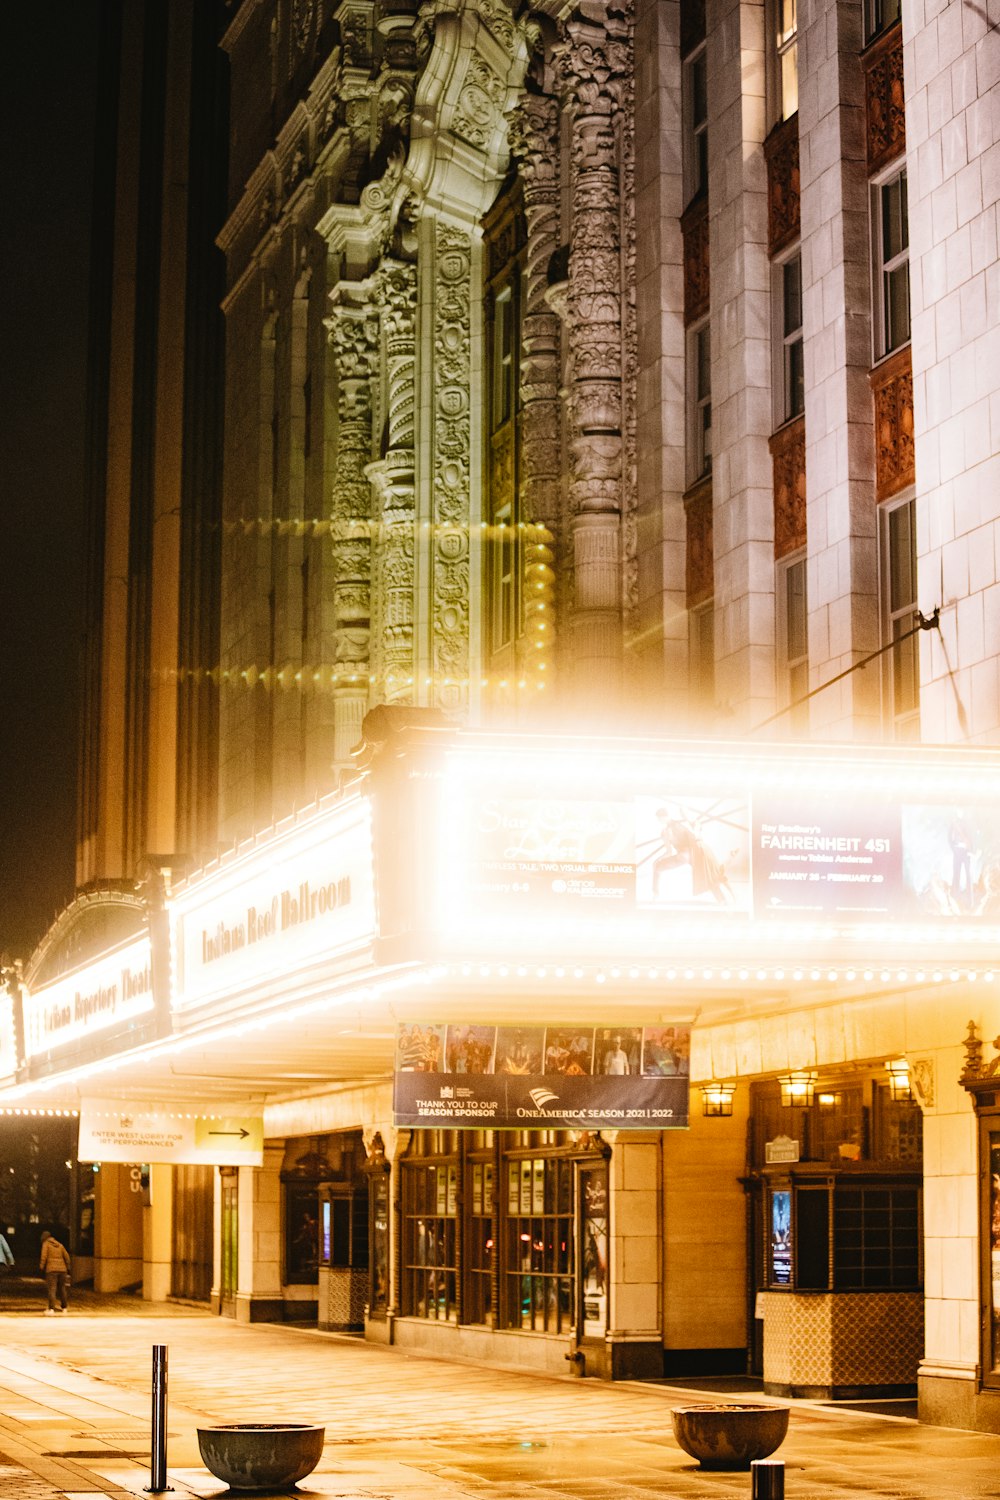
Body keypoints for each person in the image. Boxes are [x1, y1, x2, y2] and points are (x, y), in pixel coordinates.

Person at [40, 1230, 71, 1315]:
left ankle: (51, 1309)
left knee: (52, 1289)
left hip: (51, 1270)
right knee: (62, 1289)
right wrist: (68, 1267)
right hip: (62, 1270)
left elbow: (44, 1256)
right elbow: (67, 1257)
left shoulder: (46, 1244)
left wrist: (41, 1267)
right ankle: (64, 1308)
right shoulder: (60, 1245)